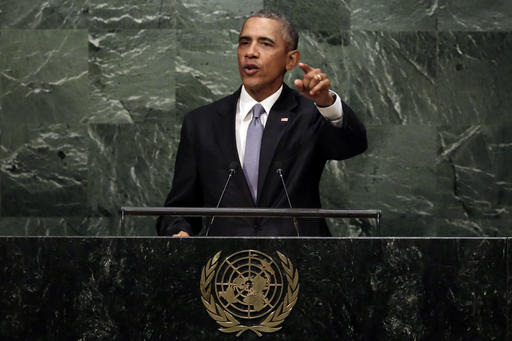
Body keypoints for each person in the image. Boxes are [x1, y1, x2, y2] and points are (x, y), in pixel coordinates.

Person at [156, 9, 367, 237]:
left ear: (290, 60)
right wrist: (178, 232)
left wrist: (326, 103)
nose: (251, 52)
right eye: (244, 42)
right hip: (225, 265)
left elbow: (352, 145)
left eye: (265, 44)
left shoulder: (310, 115)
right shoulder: (201, 123)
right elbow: (179, 207)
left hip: (300, 261)